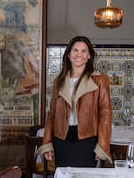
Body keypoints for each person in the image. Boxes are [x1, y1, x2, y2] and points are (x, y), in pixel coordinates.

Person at [37, 36, 112, 167]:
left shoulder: (100, 79)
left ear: (89, 55)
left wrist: (103, 146)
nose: (79, 54)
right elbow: (52, 114)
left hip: (87, 140)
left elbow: (105, 114)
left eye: (84, 51)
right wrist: (47, 143)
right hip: (61, 139)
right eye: (75, 50)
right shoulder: (59, 80)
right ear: (68, 54)